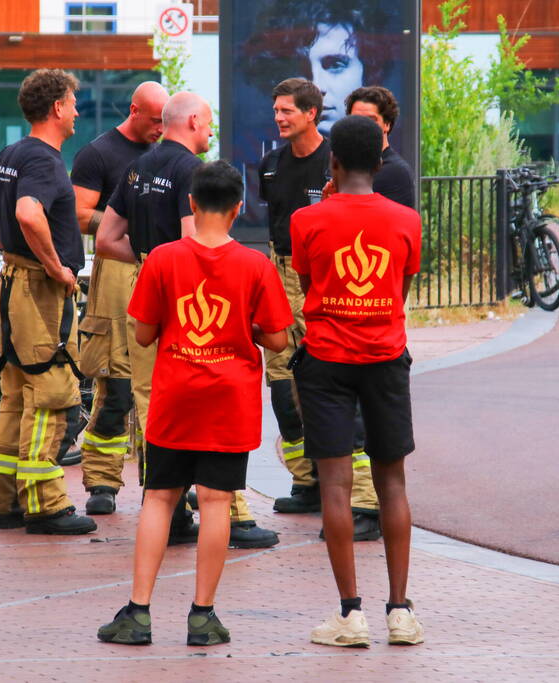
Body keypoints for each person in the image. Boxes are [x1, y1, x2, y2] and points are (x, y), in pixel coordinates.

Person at [97, 160, 292, 646]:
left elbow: (142, 335)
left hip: (175, 397)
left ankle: (138, 613)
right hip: (228, 401)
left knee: (159, 498)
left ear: (191, 203)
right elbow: (280, 340)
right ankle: (202, 616)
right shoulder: (256, 265)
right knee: (216, 501)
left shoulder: (162, 259)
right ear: (238, 208)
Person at [96, 91, 280, 549]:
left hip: (149, 286)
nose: (211, 130)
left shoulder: (136, 168)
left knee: (152, 405)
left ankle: (171, 510)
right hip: (190, 295)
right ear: (194, 120)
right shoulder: (190, 173)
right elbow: (194, 243)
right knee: (209, 399)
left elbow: (104, 238)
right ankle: (232, 514)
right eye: (209, 122)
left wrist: (148, 263)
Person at [290, 114, 423, 647]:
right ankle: (400, 611)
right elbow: (401, 285)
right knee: (392, 482)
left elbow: (307, 283)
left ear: (334, 162)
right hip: (386, 356)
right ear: (381, 161)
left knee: (336, 485)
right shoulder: (406, 220)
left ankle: (350, 615)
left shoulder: (308, 220)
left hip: (326, 360)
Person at [0, 68, 96, 535]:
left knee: (16, 395)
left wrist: (11, 249)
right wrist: (56, 266)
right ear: (57, 108)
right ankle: (47, 505)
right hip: (40, 290)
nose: (78, 111)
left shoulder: (12, 153)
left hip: (12, 283)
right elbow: (27, 211)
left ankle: (8, 504)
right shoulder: (44, 160)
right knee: (53, 391)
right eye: (73, 103)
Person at [259, 78, 381, 542]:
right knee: (282, 388)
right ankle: (306, 480)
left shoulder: (335, 161)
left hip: (321, 278)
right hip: (278, 270)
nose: (279, 117)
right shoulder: (270, 165)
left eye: (287, 110)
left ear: (312, 114)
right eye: (275, 110)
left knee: (330, 392)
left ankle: (364, 501)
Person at [72, 81, 168, 516]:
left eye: (165, 122)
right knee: (116, 386)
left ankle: (160, 483)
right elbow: (78, 213)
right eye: (153, 121)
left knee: (160, 386)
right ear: (134, 110)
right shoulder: (98, 153)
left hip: (160, 268)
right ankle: (102, 481)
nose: (159, 130)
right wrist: (127, 226)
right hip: (117, 270)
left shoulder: (168, 154)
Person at [238, 0, 399, 135]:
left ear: (369, 71)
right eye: (299, 68)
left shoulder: (387, 165)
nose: (317, 85)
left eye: (335, 65)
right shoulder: (266, 157)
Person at [344, 85, 414, 208]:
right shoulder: (342, 166)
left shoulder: (396, 172)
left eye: (371, 120)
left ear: (387, 124)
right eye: (355, 119)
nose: (362, 125)